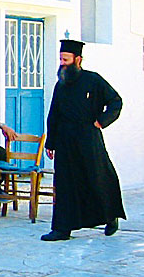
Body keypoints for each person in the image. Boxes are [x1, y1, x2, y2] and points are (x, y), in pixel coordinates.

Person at [41, 39, 126, 241]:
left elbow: (116, 101)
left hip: (88, 137)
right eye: (61, 59)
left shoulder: (94, 80)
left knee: (98, 177)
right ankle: (62, 229)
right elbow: (54, 114)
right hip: (65, 140)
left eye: (66, 59)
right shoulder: (60, 84)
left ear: (78, 59)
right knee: (65, 183)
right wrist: (50, 142)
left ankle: (110, 216)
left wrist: (101, 121)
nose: (62, 63)